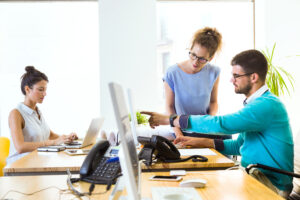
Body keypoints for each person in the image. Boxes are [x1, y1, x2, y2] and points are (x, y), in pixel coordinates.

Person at [142, 49, 294, 198]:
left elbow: (222, 124)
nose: (231, 80)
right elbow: (238, 147)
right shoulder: (257, 105)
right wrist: (200, 142)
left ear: (253, 77)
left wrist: (171, 119)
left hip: (270, 185)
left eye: (236, 76)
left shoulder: (266, 105)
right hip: (254, 175)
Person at [164, 27, 230, 141]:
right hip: (182, 129)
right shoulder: (172, 73)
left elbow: (213, 102)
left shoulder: (214, 72)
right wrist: (178, 133)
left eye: (202, 59)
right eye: (193, 55)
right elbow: (169, 107)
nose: (195, 61)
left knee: (227, 138)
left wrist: (209, 122)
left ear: (211, 57)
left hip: (204, 129)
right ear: (190, 49)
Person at [6, 66, 78, 164]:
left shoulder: (37, 111)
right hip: (18, 167)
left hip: (36, 163)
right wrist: (52, 143)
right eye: (40, 90)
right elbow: (20, 147)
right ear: (27, 89)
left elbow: (49, 134)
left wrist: (66, 138)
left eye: (45, 90)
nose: (44, 94)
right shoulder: (16, 114)